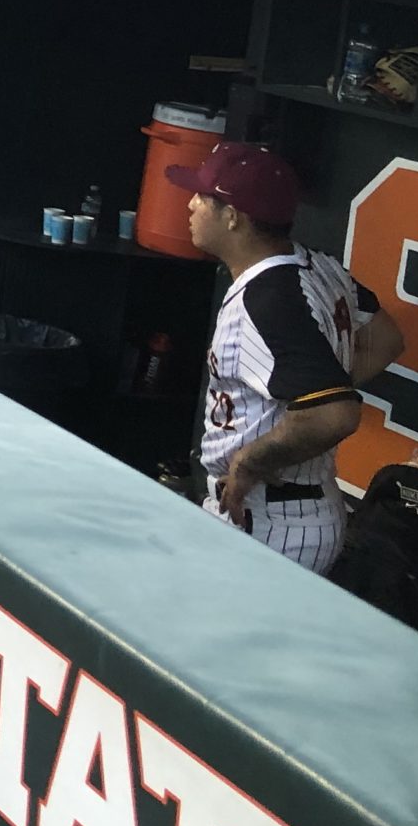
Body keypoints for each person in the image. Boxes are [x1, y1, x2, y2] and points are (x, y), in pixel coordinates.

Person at [168, 142, 404, 574]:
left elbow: (336, 414)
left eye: (203, 197)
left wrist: (249, 463)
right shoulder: (316, 265)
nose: (191, 204)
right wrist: (308, 393)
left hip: (271, 521)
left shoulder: (268, 301)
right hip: (291, 508)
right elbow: (386, 339)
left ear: (233, 216)